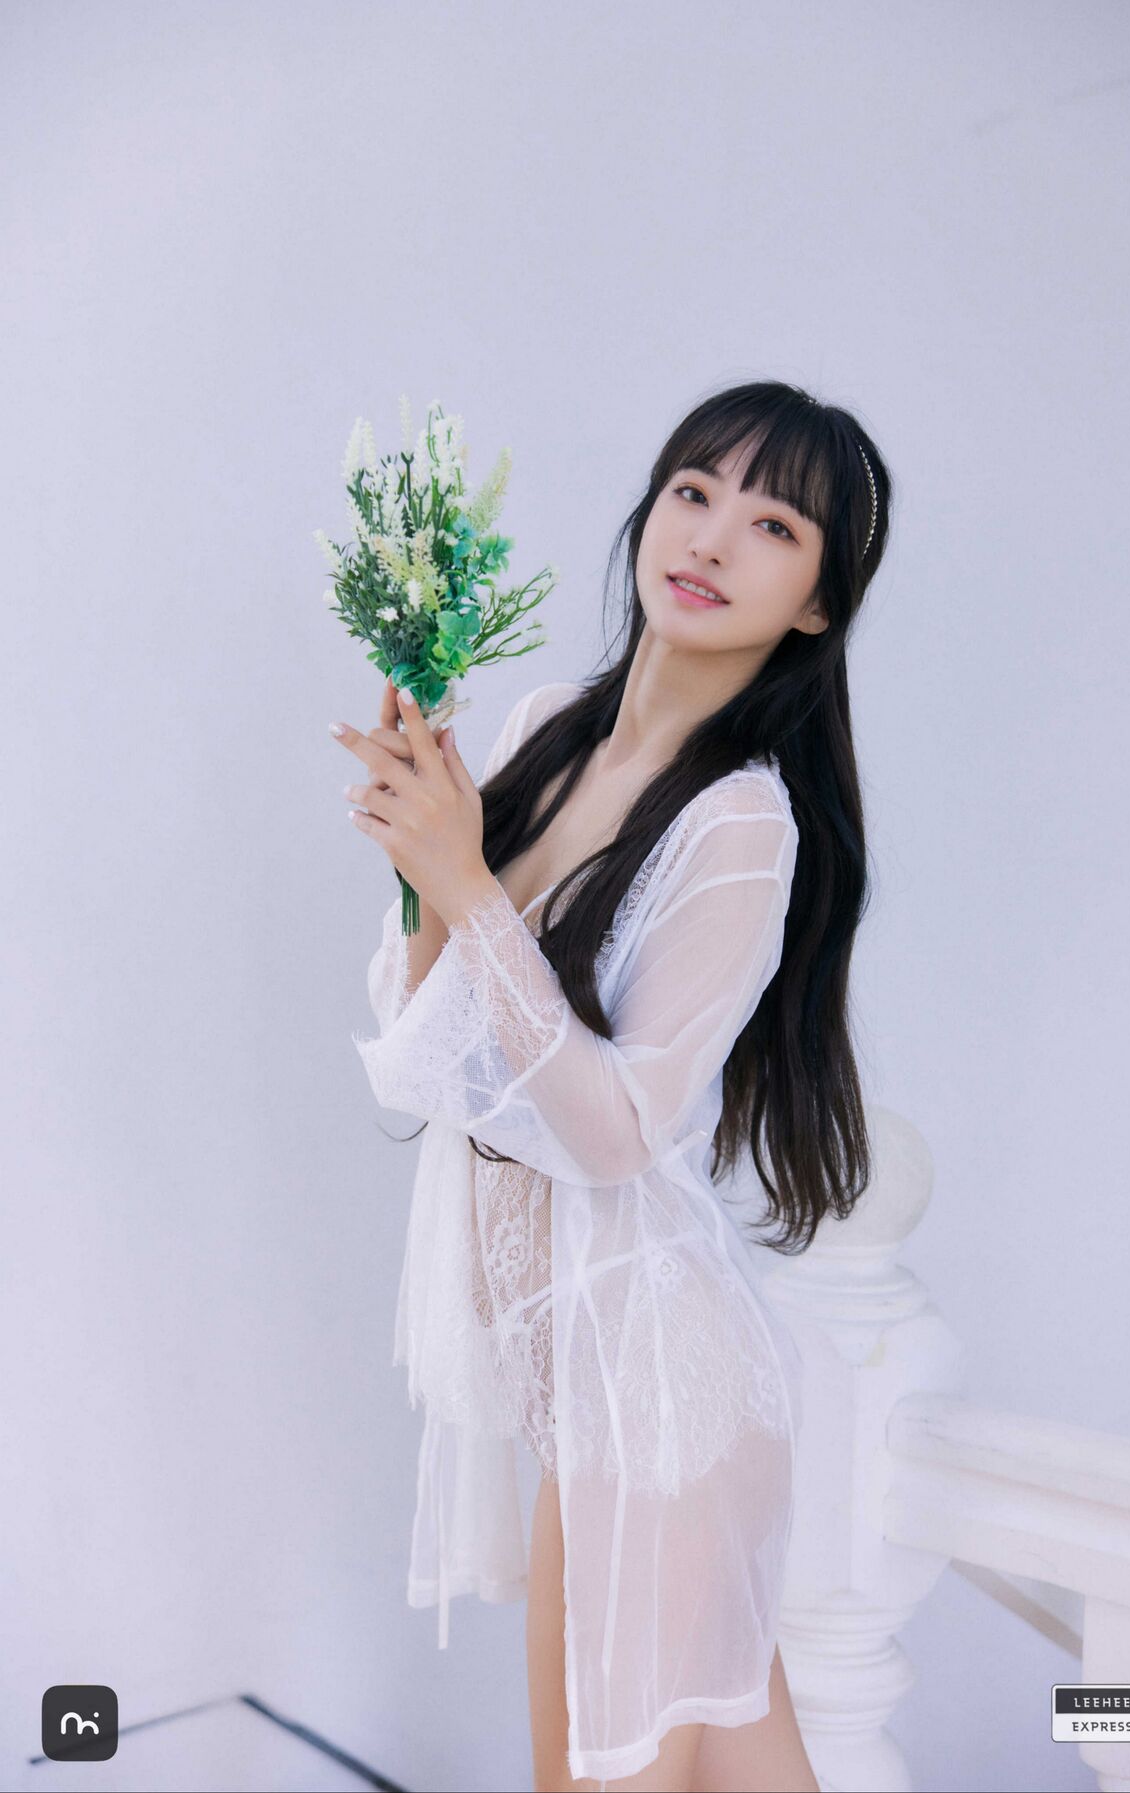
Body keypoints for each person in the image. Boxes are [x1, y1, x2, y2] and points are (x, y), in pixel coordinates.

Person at [335, 379, 891, 1791]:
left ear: (817, 606)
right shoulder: (544, 727)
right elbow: (435, 1049)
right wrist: (423, 860)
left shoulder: (740, 822)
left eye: (774, 525)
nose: (711, 537)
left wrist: (470, 881)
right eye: (694, 492)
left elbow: (614, 1134)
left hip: (662, 1403)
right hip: (586, 1402)